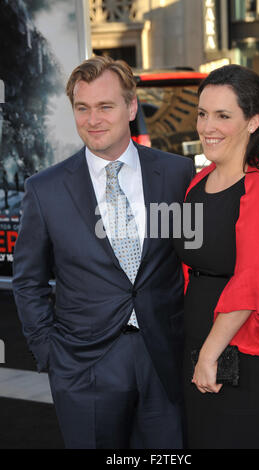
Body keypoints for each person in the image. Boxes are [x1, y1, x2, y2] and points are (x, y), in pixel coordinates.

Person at [12, 56, 195, 449]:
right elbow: (28, 281)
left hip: (164, 361)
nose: (92, 119)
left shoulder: (177, 174)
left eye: (105, 106)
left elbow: (194, 262)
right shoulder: (45, 189)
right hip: (84, 368)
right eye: (83, 108)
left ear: (131, 107)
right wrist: (51, 354)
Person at [174, 64, 259, 449]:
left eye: (223, 116)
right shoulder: (198, 181)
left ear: (253, 121)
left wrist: (210, 353)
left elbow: (256, 277)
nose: (207, 126)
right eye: (202, 113)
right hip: (201, 342)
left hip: (253, 352)